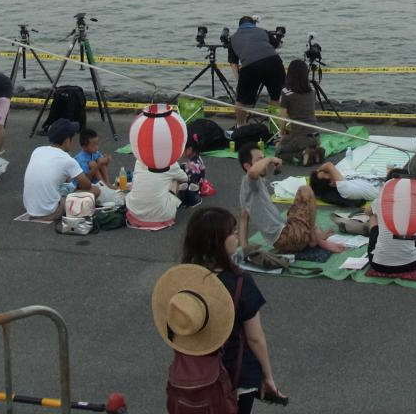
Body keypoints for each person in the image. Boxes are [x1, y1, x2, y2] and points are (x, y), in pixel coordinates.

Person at [178, 206, 285, 411]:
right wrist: (267, 376)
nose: (236, 236)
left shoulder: (183, 279)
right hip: (234, 373)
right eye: (232, 232)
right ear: (217, 240)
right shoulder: (239, 282)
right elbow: (255, 338)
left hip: (191, 372)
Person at [239, 147, 344, 254]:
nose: (264, 163)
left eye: (263, 158)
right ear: (247, 166)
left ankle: (314, 236)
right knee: (305, 190)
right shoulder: (250, 181)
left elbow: (243, 216)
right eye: (259, 160)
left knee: (305, 211)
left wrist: (244, 247)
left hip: (285, 237)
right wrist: (270, 159)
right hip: (287, 237)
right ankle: (315, 238)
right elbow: (252, 172)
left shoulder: (247, 188)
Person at [22, 118, 98, 219]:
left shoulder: (37, 150)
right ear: (67, 141)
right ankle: (63, 212)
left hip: (30, 208)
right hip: (51, 210)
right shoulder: (67, 160)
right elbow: (87, 185)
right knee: (95, 191)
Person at [226, 16, 287, 127]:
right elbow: (278, 45)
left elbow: (233, 63)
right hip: (274, 62)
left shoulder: (233, 38)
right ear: (253, 24)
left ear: (240, 26)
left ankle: (240, 126)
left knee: (241, 101)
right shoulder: (262, 31)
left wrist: (239, 80)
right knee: (276, 97)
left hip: (250, 66)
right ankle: (277, 129)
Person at [126, 143, 191, 229]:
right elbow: (185, 178)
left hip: (135, 213)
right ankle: (170, 201)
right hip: (161, 215)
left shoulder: (139, 160)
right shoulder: (170, 163)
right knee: (174, 180)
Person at [275, 59, 321, 165]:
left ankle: (302, 154)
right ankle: (315, 151)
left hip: (300, 136)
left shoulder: (286, 92)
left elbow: (282, 118)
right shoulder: (312, 89)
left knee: (279, 152)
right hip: (316, 134)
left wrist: (281, 135)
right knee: (290, 140)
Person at [308, 161, 381, 205]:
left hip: (382, 180)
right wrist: (318, 171)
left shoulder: (342, 178)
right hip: (386, 189)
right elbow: (329, 165)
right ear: (331, 183)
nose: (334, 172)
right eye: (328, 172)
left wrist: (316, 173)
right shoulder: (344, 190)